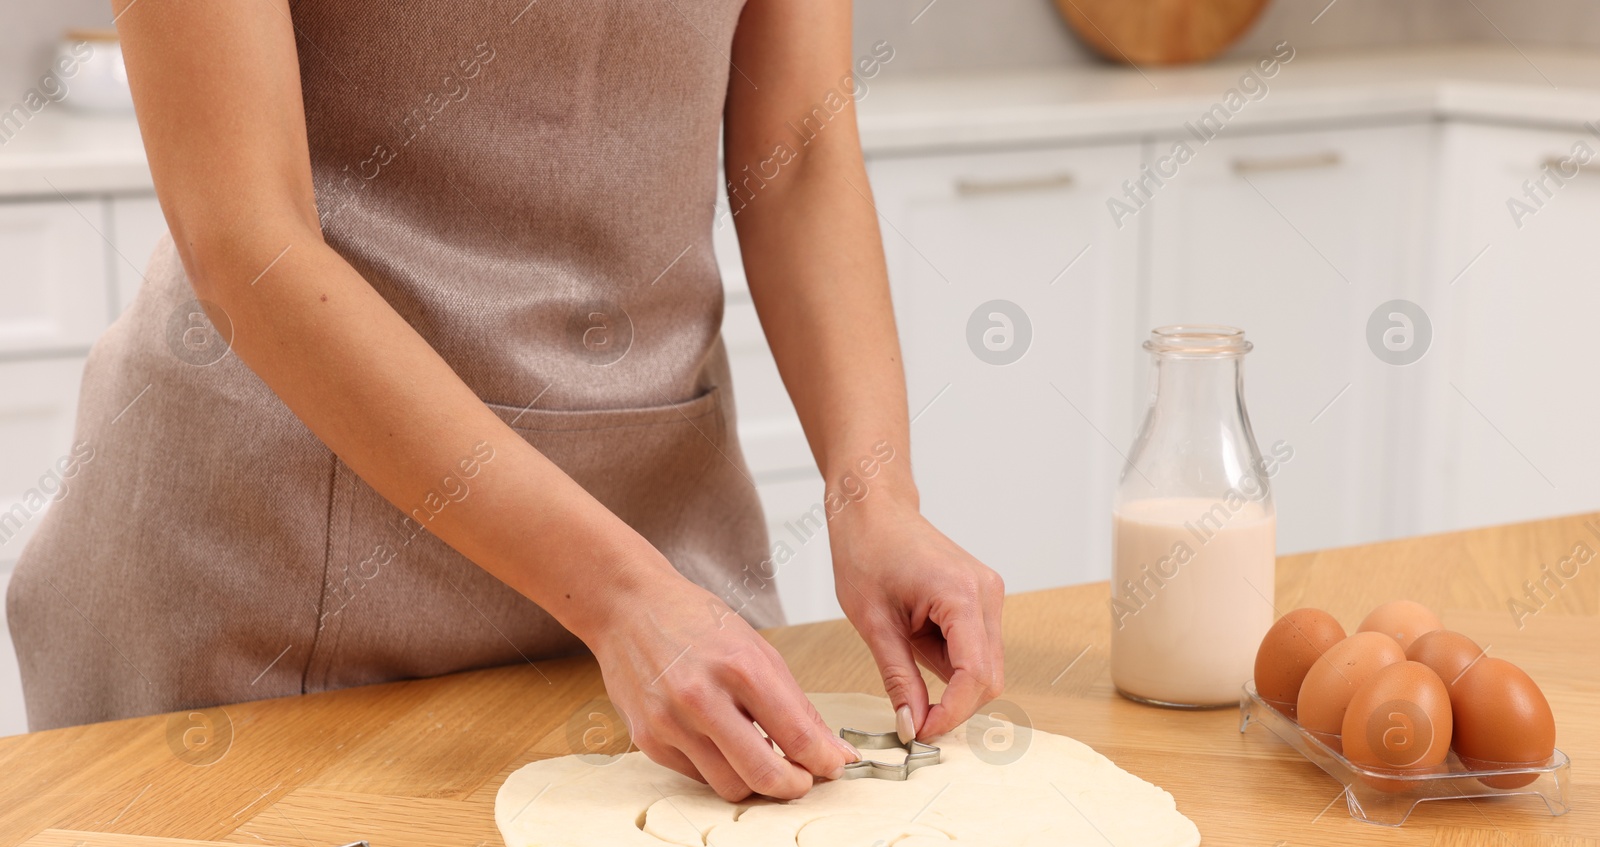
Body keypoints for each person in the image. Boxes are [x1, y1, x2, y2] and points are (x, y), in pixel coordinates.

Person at [6, 0, 1004, 800]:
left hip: (660, 562)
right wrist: (616, 593)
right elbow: (244, 239)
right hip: (268, 581)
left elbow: (797, 151)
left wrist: (872, 494)